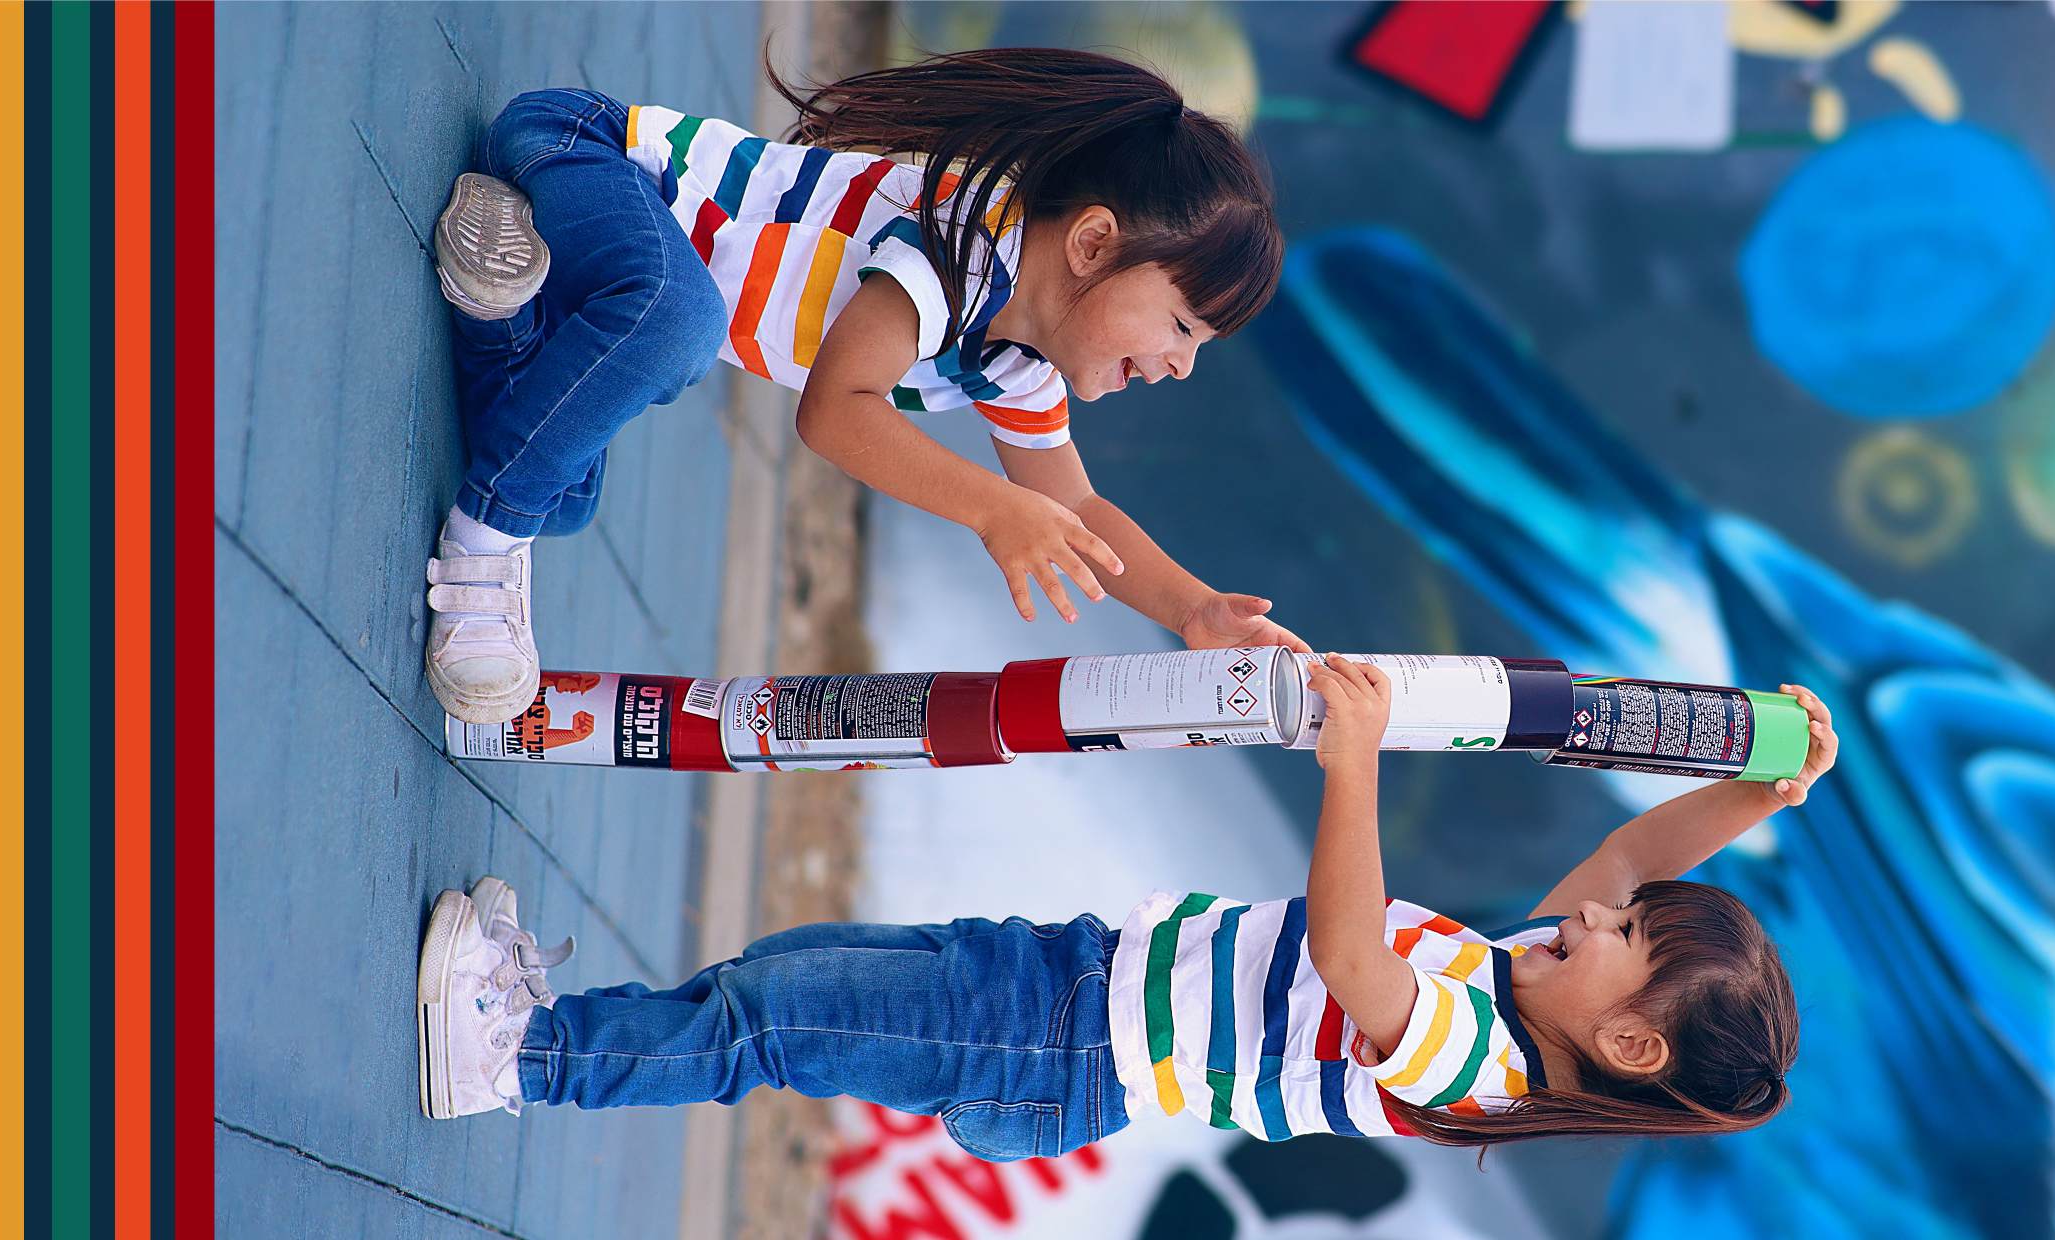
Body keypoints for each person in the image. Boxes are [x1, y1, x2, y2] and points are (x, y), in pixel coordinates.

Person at [416, 669, 1831, 1159]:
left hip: (1064, 1045)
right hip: (1073, 976)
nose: (1597, 922)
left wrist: (1352, 764)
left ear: (1630, 1043)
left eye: (1626, 944)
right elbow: (1630, 851)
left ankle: (519, 1058)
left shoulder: (1479, 1063)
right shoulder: (1531, 975)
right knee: (785, 977)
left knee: (776, 1018)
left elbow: (1348, 954)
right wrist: (1753, 789)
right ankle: (546, 1036)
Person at [423, 48, 1303, 725]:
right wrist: (995, 509)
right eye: (1181, 326)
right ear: (1093, 243)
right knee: (676, 324)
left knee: (566, 493)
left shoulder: (1017, 360)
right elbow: (837, 412)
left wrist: (1192, 609)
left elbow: (1076, 509)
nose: (1181, 364)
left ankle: (504, 304)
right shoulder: (969, 240)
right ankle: (479, 551)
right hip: (583, 156)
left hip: (601, 285)